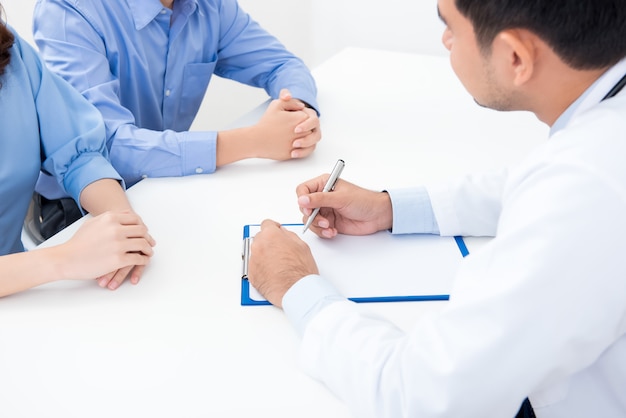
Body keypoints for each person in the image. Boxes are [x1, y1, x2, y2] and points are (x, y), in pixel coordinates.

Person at [247, 0, 626, 416]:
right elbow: (529, 184)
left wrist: (298, 287)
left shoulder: (585, 193)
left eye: (450, 27)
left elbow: (423, 395)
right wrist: (390, 208)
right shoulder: (602, 126)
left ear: (516, 56)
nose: (444, 40)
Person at [30, 0, 322, 241]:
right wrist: (253, 141)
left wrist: (297, 116)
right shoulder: (69, 10)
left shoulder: (210, 7)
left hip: (166, 189)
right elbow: (103, 149)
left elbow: (283, 65)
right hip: (79, 212)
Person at [0, 8, 156, 297]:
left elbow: (77, 152)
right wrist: (63, 259)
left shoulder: (11, 53)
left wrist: (121, 228)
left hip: (21, 298)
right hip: (31, 276)